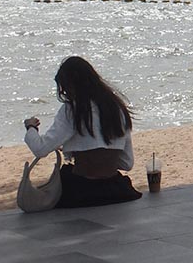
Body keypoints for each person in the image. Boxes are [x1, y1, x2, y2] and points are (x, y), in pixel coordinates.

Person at [23, 56, 142, 207]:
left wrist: (30, 128)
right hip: (116, 189)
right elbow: (127, 163)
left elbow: (40, 149)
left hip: (82, 190)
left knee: (62, 176)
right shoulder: (117, 108)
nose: (65, 93)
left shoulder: (73, 109)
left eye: (64, 89)